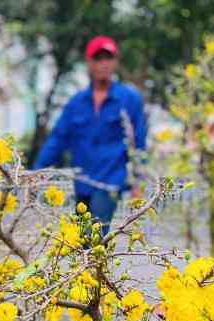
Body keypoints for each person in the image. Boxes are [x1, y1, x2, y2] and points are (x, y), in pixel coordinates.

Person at [32, 35, 147, 234]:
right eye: (98, 58)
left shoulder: (129, 98)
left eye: (108, 58)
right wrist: (37, 172)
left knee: (94, 235)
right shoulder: (76, 103)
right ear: (89, 63)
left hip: (110, 181)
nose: (103, 64)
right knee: (82, 242)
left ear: (115, 62)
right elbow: (58, 139)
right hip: (82, 182)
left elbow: (139, 142)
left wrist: (138, 181)